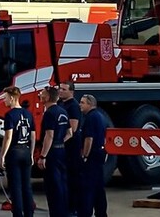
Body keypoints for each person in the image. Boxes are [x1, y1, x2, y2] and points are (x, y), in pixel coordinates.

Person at [0, 87, 34, 217]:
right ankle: (29, 213)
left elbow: (8, 136)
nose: (4, 101)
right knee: (26, 185)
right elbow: (33, 136)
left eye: (5, 98)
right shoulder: (28, 114)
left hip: (14, 152)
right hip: (25, 150)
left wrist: (2, 155)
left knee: (15, 187)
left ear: (12, 98)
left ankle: (18, 213)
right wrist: (30, 153)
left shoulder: (10, 115)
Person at [37, 87, 69, 216]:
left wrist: (43, 156)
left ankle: (56, 213)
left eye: (42, 94)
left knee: (53, 185)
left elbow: (49, 135)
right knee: (62, 182)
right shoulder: (63, 112)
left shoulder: (49, 113)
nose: (40, 95)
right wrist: (60, 141)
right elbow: (69, 133)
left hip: (53, 153)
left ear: (48, 97)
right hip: (61, 149)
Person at [78, 95, 108, 217]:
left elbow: (89, 138)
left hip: (92, 156)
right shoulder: (100, 116)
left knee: (88, 188)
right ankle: (101, 213)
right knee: (98, 187)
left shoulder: (90, 118)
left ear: (90, 104)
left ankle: (86, 213)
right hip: (99, 154)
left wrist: (85, 155)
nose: (80, 105)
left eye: (82, 102)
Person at [58, 81, 82, 216]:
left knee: (73, 178)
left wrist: (59, 143)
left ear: (71, 92)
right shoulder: (61, 104)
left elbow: (72, 129)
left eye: (63, 89)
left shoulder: (73, 106)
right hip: (64, 148)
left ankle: (73, 209)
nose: (60, 91)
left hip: (72, 147)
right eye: (59, 89)